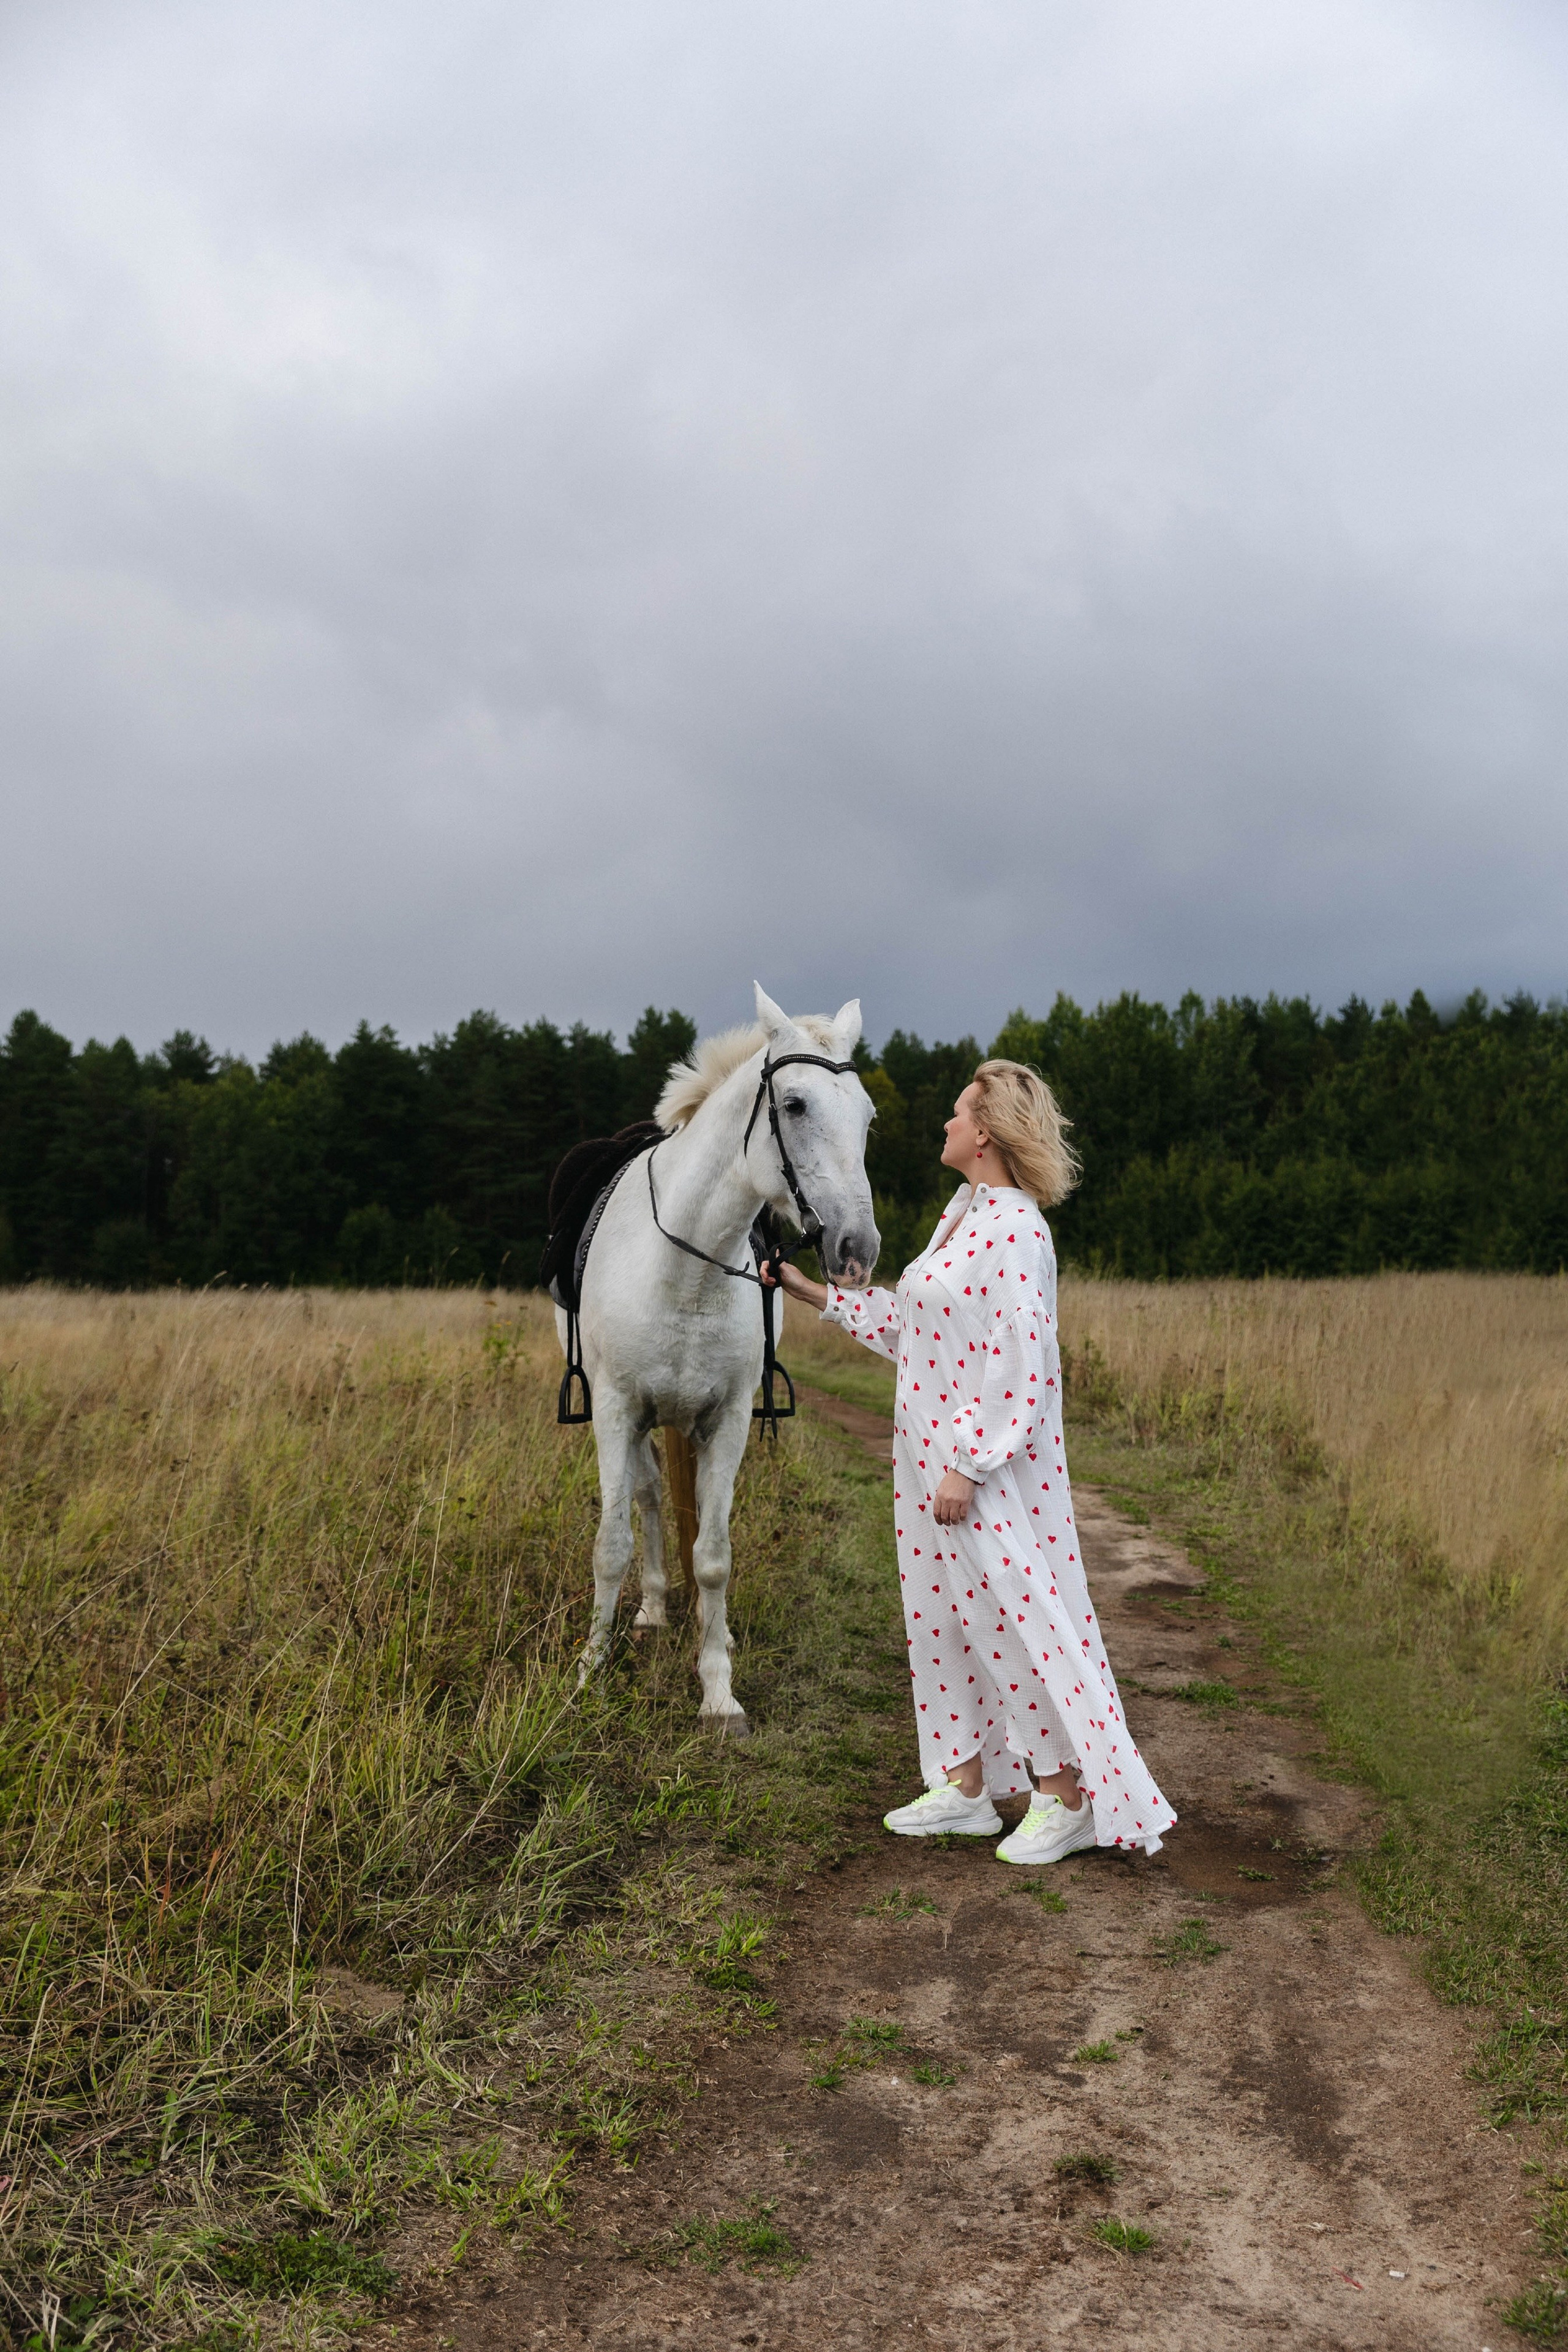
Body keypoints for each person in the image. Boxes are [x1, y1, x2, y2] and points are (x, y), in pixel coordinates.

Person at [769, 1060, 1175, 1863]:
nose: (946, 1126)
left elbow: (1019, 1358)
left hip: (977, 1474)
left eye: (957, 1114)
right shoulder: (962, 1217)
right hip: (925, 1467)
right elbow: (918, 1334)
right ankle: (962, 1789)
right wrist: (810, 1291)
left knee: (1012, 1624)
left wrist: (969, 1463)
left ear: (985, 1131)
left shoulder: (1018, 1229)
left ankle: (1068, 1797)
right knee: (943, 1622)